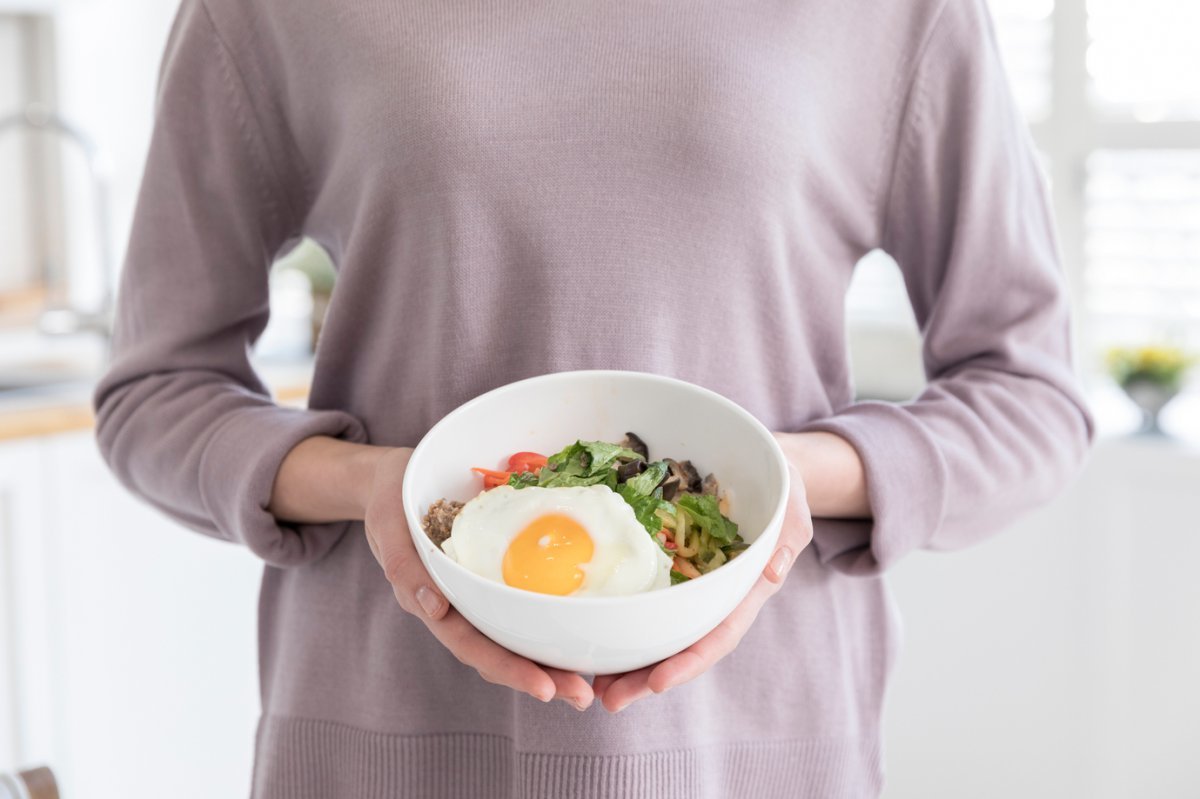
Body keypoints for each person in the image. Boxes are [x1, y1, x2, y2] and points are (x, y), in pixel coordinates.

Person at [92, 0, 1095, 795]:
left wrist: (781, 482)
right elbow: (155, 390)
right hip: (394, 722)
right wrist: (375, 486)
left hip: (752, 736)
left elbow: (1030, 394)